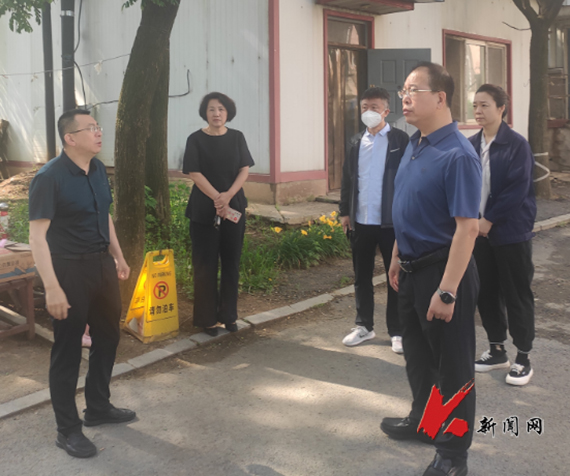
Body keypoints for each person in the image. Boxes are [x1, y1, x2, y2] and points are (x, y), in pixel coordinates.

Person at [381, 63, 481, 476]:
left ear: (440, 98)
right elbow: (408, 205)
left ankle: (453, 456)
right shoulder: (415, 144)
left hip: (443, 273)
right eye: (402, 90)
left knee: (452, 366)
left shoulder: (458, 154)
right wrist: (396, 255)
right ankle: (425, 421)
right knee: (418, 357)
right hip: (410, 268)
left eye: (413, 90)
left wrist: (448, 290)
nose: (404, 98)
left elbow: (467, 228)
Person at [29, 109, 136, 459]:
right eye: (90, 128)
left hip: (102, 267)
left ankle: (98, 407)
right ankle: (67, 430)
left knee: (108, 337)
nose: (98, 132)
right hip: (69, 270)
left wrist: (118, 255)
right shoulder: (49, 178)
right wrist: (52, 287)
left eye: (98, 127)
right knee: (68, 350)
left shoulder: (98, 170)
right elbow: (37, 237)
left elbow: (104, 215)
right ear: (70, 138)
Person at [469, 84, 536, 386]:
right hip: (478, 234)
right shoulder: (471, 144)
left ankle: (523, 356)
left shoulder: (516, 145)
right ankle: (497, 350)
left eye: (484, 105)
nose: (478, 111)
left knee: (516, 293)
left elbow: (516, 189)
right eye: (475, 105)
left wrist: (489, 220)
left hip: (511, 233)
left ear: (501, 109)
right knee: (486, 292)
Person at [339, 87, 409, 352]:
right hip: (361, 220)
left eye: (375, 107)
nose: (369, 112)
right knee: (362, 276)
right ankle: (364, 326)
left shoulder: (400, 140)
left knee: (395, 276)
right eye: (365, 107)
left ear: (386, 111)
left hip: (390, 222)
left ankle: (397, 330)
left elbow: (408, 179)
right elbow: (347, 179)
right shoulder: (356, 142)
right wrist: (345, 212)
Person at [182, 92, 254, 336]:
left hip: (233, 207)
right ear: (205, 112)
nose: (216, 114)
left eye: (221, 109)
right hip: (204, 209)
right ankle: (207, 319)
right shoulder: (195, 139)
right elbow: (194, 172)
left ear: (228, 113)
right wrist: (217, 198)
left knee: (231, 263)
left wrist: (228, 196)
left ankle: (228, 316)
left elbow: (244, 169)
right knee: (205, 265)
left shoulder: (237, 137)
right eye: (212, 109)